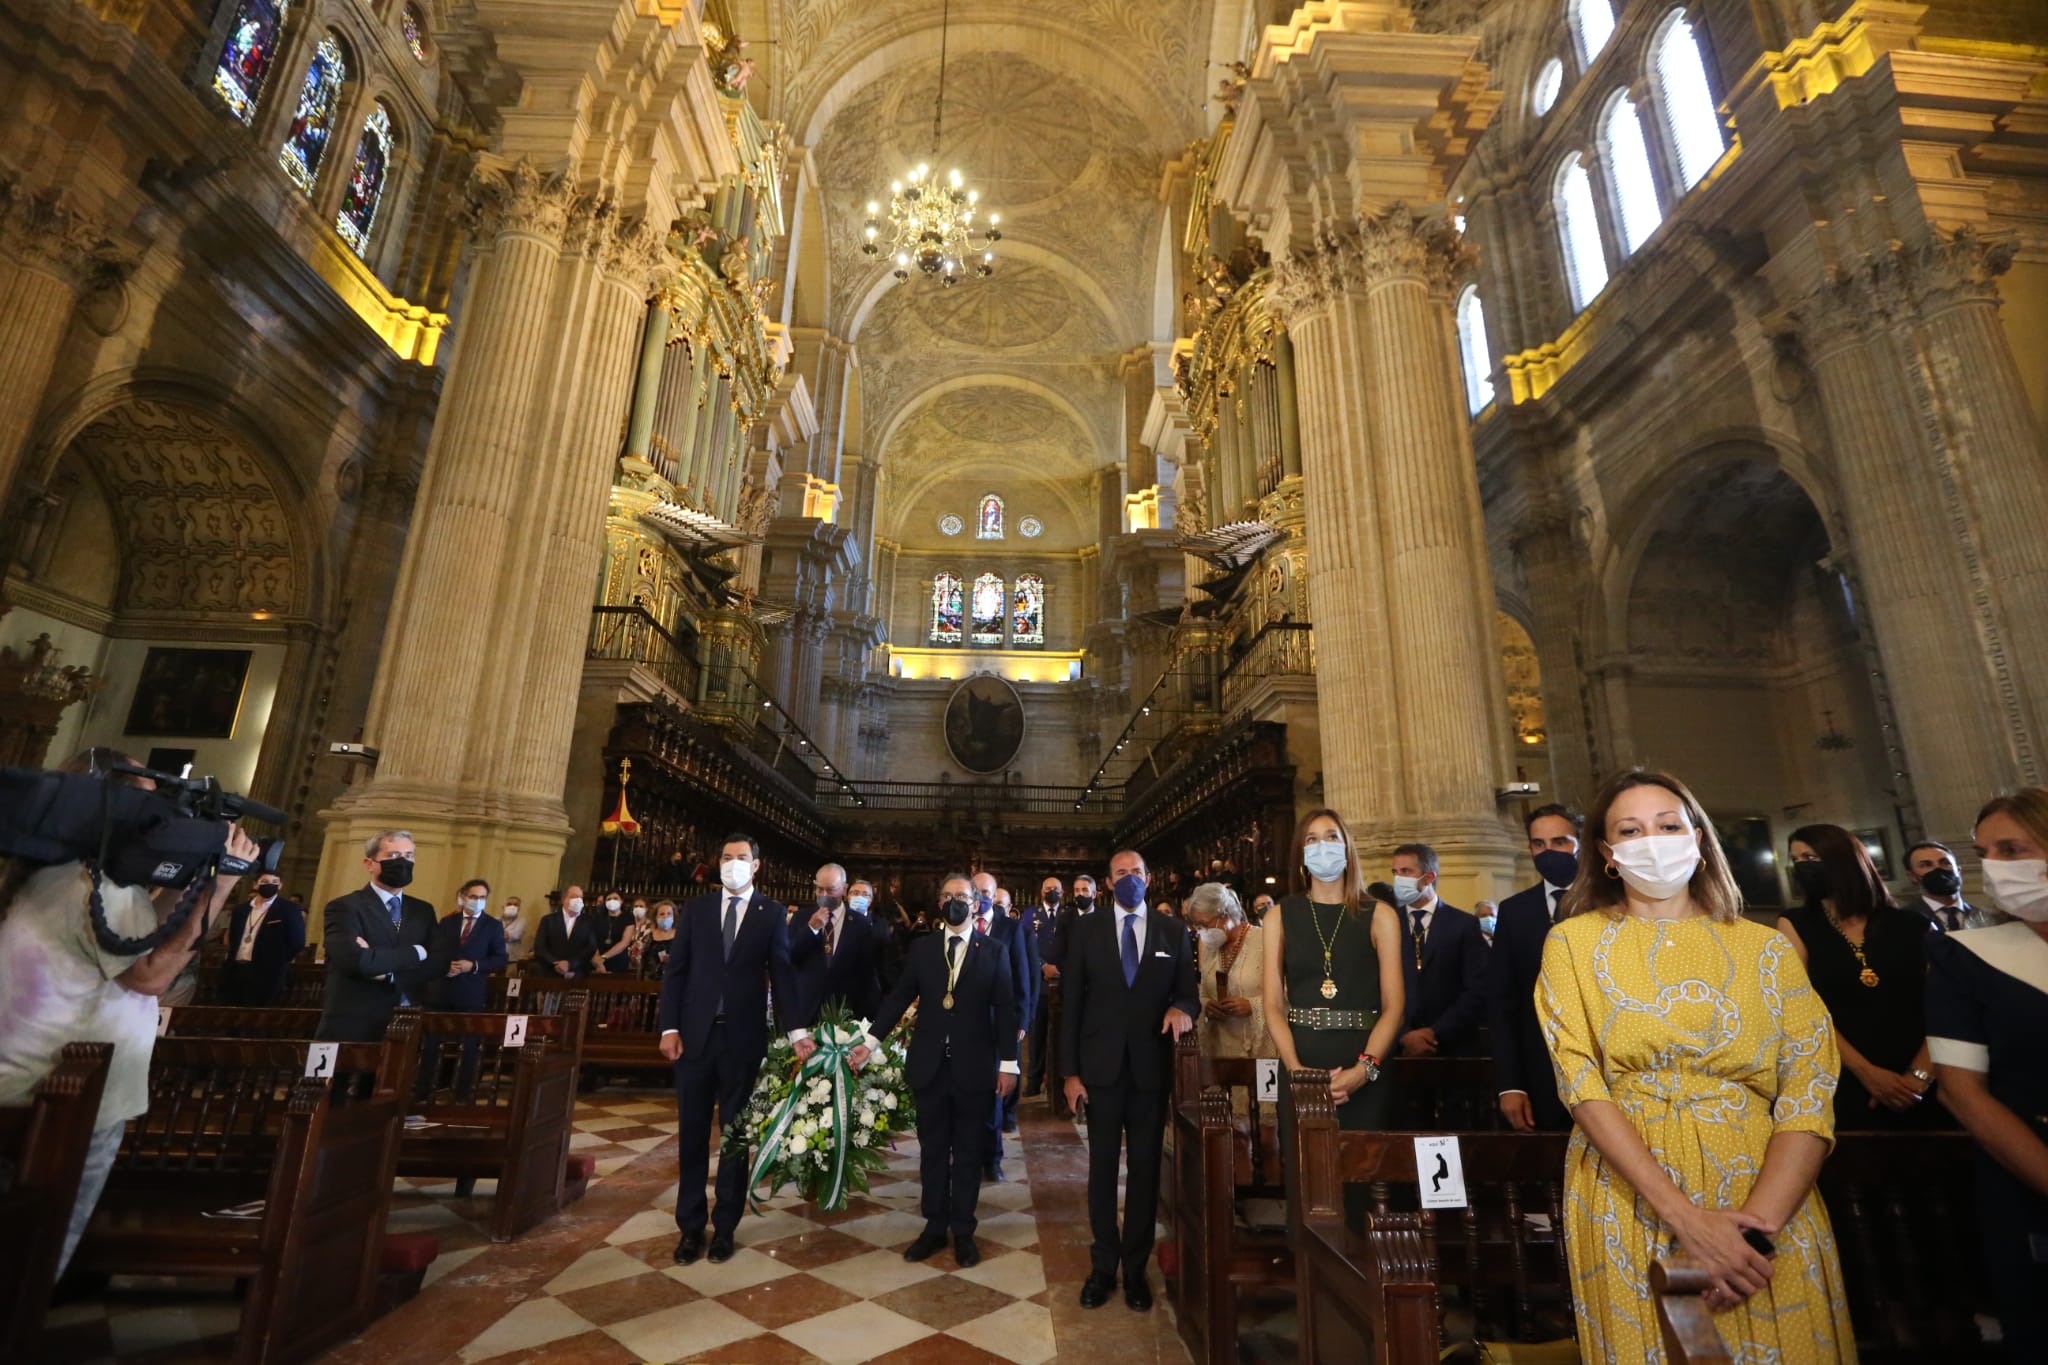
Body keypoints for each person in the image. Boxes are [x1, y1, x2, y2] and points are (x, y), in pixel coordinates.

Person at [1539, 768, 1851, 1357]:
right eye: (1630, 830)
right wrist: (1685, 1218)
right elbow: (1580, 1083)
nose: (1651, 840)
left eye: (1668, 824)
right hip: (1633, 1191)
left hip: (1766, 1193)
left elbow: (1810, 1086)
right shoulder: (1572, 944)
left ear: (1698, 837)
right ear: (1607, 854)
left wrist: (1754, 1232)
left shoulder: (1765, 948)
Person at [0, 750, 257, 1281]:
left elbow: (141, 937)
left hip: (38, 1089)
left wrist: (195, 886)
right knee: (35, 1254)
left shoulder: (57, 871)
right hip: (63, 1101)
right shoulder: (97, 887)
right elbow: (150, 976)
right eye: (145, 803)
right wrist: (226, 885)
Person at [1927, 787, 2048, 1357]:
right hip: (2028, 1179)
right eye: (1984, 855)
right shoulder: (1967, 955)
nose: (1995, 869)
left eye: (2011, 849)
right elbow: (1962, 1092)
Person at [852, 874, 1019, 1269]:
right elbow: (899, 998)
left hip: (974, 1065)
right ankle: (933, 1226)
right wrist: (871, 1041)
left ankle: (963, 1230)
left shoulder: (994, 951)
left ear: (976, 903)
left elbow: (1007, 1007)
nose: (953, 902)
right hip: (929, 1064)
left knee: (966, 1152)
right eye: (946, 896)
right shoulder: (923, 949)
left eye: (961, 896)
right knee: (931, 1151)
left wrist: (1009, 1064)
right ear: (939, 904)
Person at [657, 833, 807, 1266]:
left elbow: (782, 973)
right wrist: (669, 1027)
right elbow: (677, 973)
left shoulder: (771, 913)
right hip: (694, 1038)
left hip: (742, 1039)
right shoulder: (698, 910)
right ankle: (689, 1228)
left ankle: (725, 1227)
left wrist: (796, 1031)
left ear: (756, 866)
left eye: (742, 857)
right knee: (692, 1136)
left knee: (736, 1139)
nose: (733, 863)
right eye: (726, 857)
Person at [1060, 849, 1198, 1312]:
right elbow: (1072, 1005)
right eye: (1120, 873)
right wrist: (1070, 1072)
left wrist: (1183, 1007)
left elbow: (1188, 992)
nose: (1129, 879)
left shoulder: (1173, 931)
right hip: (1099, 1069)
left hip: (1149, 1069)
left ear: (1149, 876)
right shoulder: (1086, 929)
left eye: (1136, 872)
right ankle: (1103, 1267)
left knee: (1143, 1171)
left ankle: (1135, 1269)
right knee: (1101, 1169)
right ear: (1107, 880)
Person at [1777, 823, 1940, 1129]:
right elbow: (1802, 1009)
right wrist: (1866, 1072)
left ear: (1841, 858)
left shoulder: (1914, 925)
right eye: (1796, 860)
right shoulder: (1795, 924)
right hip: (1846, 1077)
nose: (1802, 867)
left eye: (1810, 857)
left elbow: (1946, 1007)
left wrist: (1919, 1077)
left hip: (1925, 1078)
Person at [1263, 810, 1405, 1132]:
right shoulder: (1279, 916)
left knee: (1367, 1176)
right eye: (1312, 839)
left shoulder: (1380, 915)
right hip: (1300, 1063)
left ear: (1347, 848)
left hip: (1365, 1061)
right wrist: (1296, 1070)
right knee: (1305, 1177)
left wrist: (1364, 1068)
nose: (1322, 846)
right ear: (1301, 852)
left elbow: (1394, 1006)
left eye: (1331, 837)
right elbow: (1272, 1005)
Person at [1490, 803, 1583, 1132]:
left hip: (1605, 1067)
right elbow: (1502, 1002)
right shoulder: (1515, 911)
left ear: (1580, 843)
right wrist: (1511, 1085)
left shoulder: (1609, 904)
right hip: (1539, 1068)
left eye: (1560, 842)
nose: (1548, 852)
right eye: (1538, 844)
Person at [317, 830, 444, 1042]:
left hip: (405, 1019)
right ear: (369, 863)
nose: (403, 862)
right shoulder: (344, 907)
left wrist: (386, 970)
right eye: (393, 856)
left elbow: (437, 963)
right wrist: (417, 951)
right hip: (353, 1019)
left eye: (409, 856)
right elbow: (357, 961)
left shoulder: (423, 911)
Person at [1391, 843, 1487, 1056]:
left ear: (1429, 877)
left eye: (1406, 871)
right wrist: (1404, 1035)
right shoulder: (1387, 923)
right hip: (1399, 1049)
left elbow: (1477, 988)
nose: (1398, 879)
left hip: (1453, 1048)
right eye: (1395, 872)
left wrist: (1435, 1032)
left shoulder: (1463, 924)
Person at [971, 871, 1036, 1176]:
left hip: (1001, 1021)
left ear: (995, 894)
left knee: (993, 1093)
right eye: (977, 891)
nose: (982, 896)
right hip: (964, 1022)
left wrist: (1022, 1019)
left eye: (987, 891)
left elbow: (1023, 976)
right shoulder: (958, 923)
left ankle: (992, 1158)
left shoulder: (1012, 929)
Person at [1189, 882, 1271, 1064]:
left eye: (1203, 924)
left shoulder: (1265, 940)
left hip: (1261, 1053)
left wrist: (1253, 1006)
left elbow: (1288, 994)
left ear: (1224, 915)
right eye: (1196, 926)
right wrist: (1207, 1005)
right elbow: (1204, 992)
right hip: (1220, 1054)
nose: (1201, 931)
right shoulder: (1211, 948)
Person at [222, 868, 305, 1006]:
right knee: (231, 1010)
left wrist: (279, 961)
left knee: (257, 1014)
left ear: (280, 886)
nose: (270, 885)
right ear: (255, 884)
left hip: (267, 971)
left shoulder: (289, 909)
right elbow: (234, 936)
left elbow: (297, 941)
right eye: (265, 881)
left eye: (274, 882)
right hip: (237, 968)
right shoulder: (241, 910)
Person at [814, 863, 882, 1021]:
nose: (824, 894)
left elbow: (873, 971)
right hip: (814, 1004)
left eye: (865, 894)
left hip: (851, 1006)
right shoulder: (811, 918)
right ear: (847, 894)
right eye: (855, 892)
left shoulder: (873, 926)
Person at [1907, 839, 2002, 932]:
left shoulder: (1986, 918)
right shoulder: (1905, 920)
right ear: (1912, 876)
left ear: (1959, 870)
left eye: (1945, 863)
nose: (1938, 868)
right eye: (1926, 865)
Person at [1027, 875, 1065, 1097]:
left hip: (1062, 983)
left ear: (1063, 892)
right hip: (1039, 984)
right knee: (1037, 1034)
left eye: (1056, 888)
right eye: (1048, 888)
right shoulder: (1031, 915)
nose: (1052, 891)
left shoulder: (1067, 915)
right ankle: (1033, 1079)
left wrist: (1060, 968)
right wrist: (1042, 965)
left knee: (1060, 1034)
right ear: (1041, 891)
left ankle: (1057, 1080)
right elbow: (1024, 945)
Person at [530, 885, 601, 979]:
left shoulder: (588, 922)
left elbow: (591, 947)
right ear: (564, 899)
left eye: (581, 898)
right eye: (574, 897)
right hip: (550, 973)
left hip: (578, 975)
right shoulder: (548, 920)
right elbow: (539, 947)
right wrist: (556, 963)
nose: (578, 900)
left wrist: (570, 964)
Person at [642, 899, 678, 978]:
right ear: (655, 917)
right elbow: (642, 960)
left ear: (674, 917)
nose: (666, 917)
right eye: (662, 914)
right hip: (651, 980)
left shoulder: (681, 936)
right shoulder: (648, 937)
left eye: (669, 914)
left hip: (675, 978)